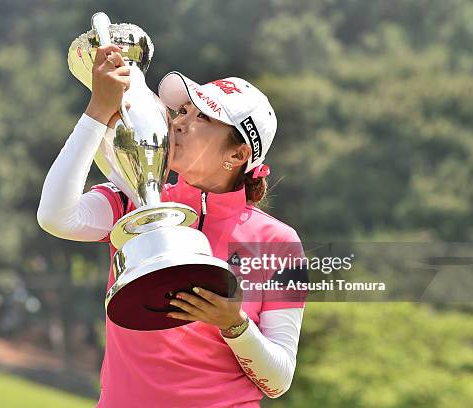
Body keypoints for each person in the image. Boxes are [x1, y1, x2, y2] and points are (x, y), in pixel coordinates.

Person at [37, 44, 306, 407]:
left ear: (238, 155)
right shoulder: (135, 197)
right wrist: (98, 110)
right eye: (181, 111)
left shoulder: (278, 243)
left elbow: (279, 379)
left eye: (202, 118)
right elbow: (55, 216)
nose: (178, 121)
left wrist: (234, 324)